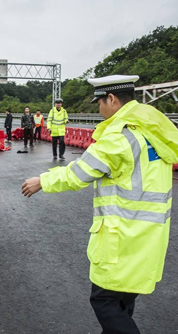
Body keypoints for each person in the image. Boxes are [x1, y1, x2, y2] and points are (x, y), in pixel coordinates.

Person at [21, 75, 178, 333]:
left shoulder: (118, 138)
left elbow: (79, 173)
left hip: (121, 237)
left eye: (100, 102)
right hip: (148, 236)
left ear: (112, 99)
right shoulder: (153, 132)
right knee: (123, 301)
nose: (99, 109)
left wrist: (42, 180)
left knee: (104, 301)